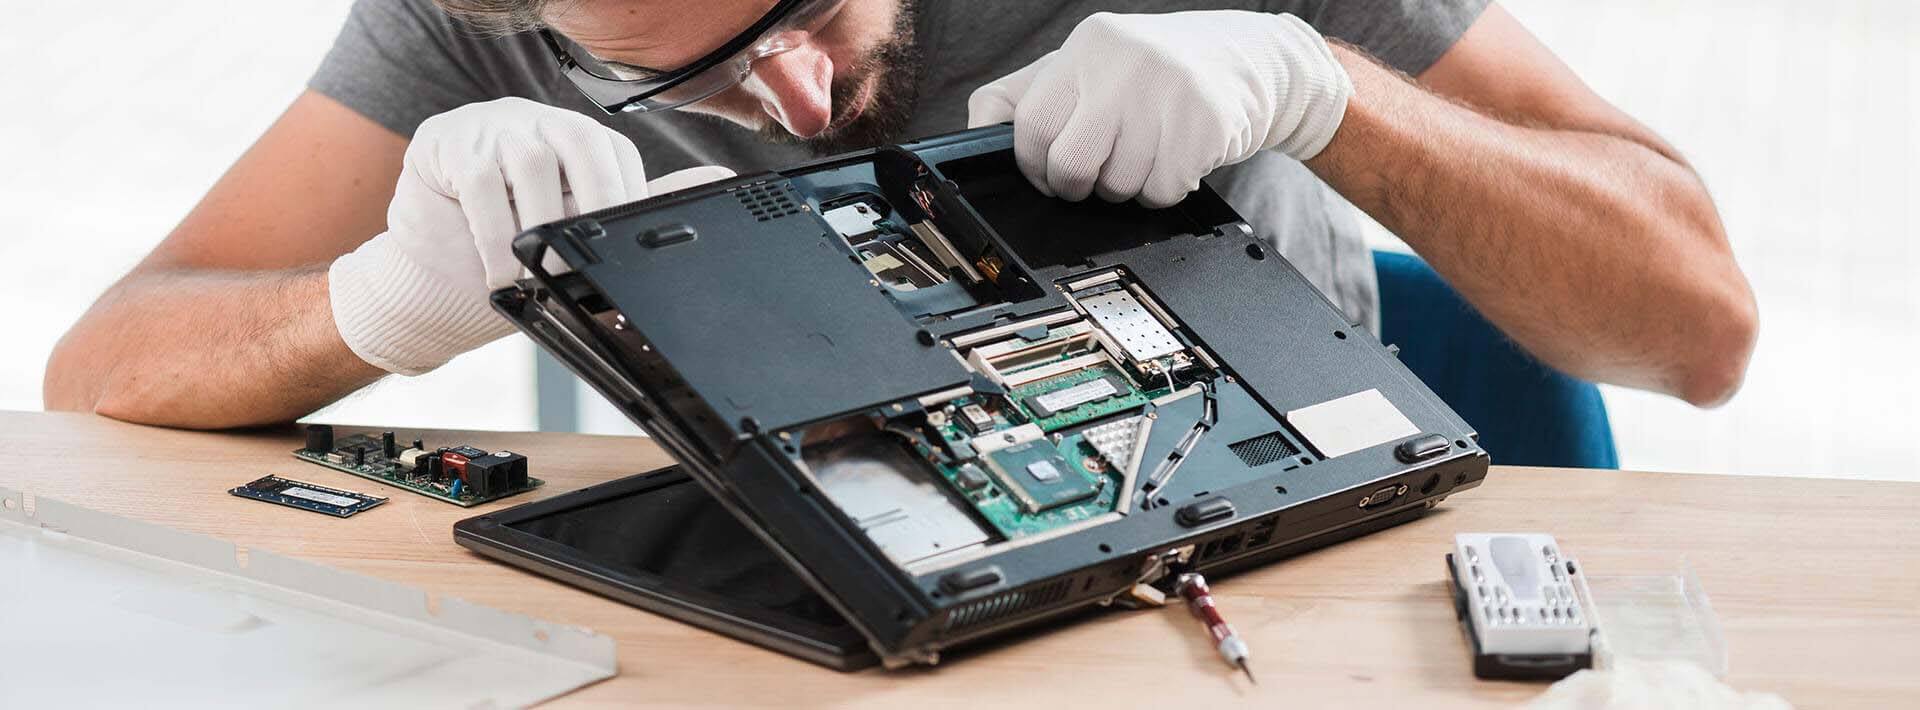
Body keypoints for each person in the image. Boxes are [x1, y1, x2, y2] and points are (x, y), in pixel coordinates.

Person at [44, 0, 1757, 429]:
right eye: (686, 80)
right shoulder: (468, 17)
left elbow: (1700, 328)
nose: (795, 103)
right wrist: (372, 305)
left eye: (808, 9)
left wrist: (1324, 89)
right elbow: (97, 370)